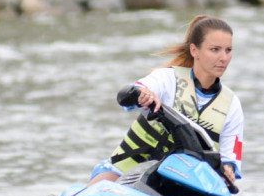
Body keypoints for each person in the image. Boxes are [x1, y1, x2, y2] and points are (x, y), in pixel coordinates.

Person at [89, 15, 244, 186]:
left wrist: (228, 169)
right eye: (215, 49)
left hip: (181, 185)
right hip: (125, 172)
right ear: (194, 50)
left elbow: (231, 160)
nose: (223, 58)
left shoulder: (231, 105)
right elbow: (129, 94)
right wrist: (142, 94)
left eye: (228, 50)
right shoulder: (167, 79)